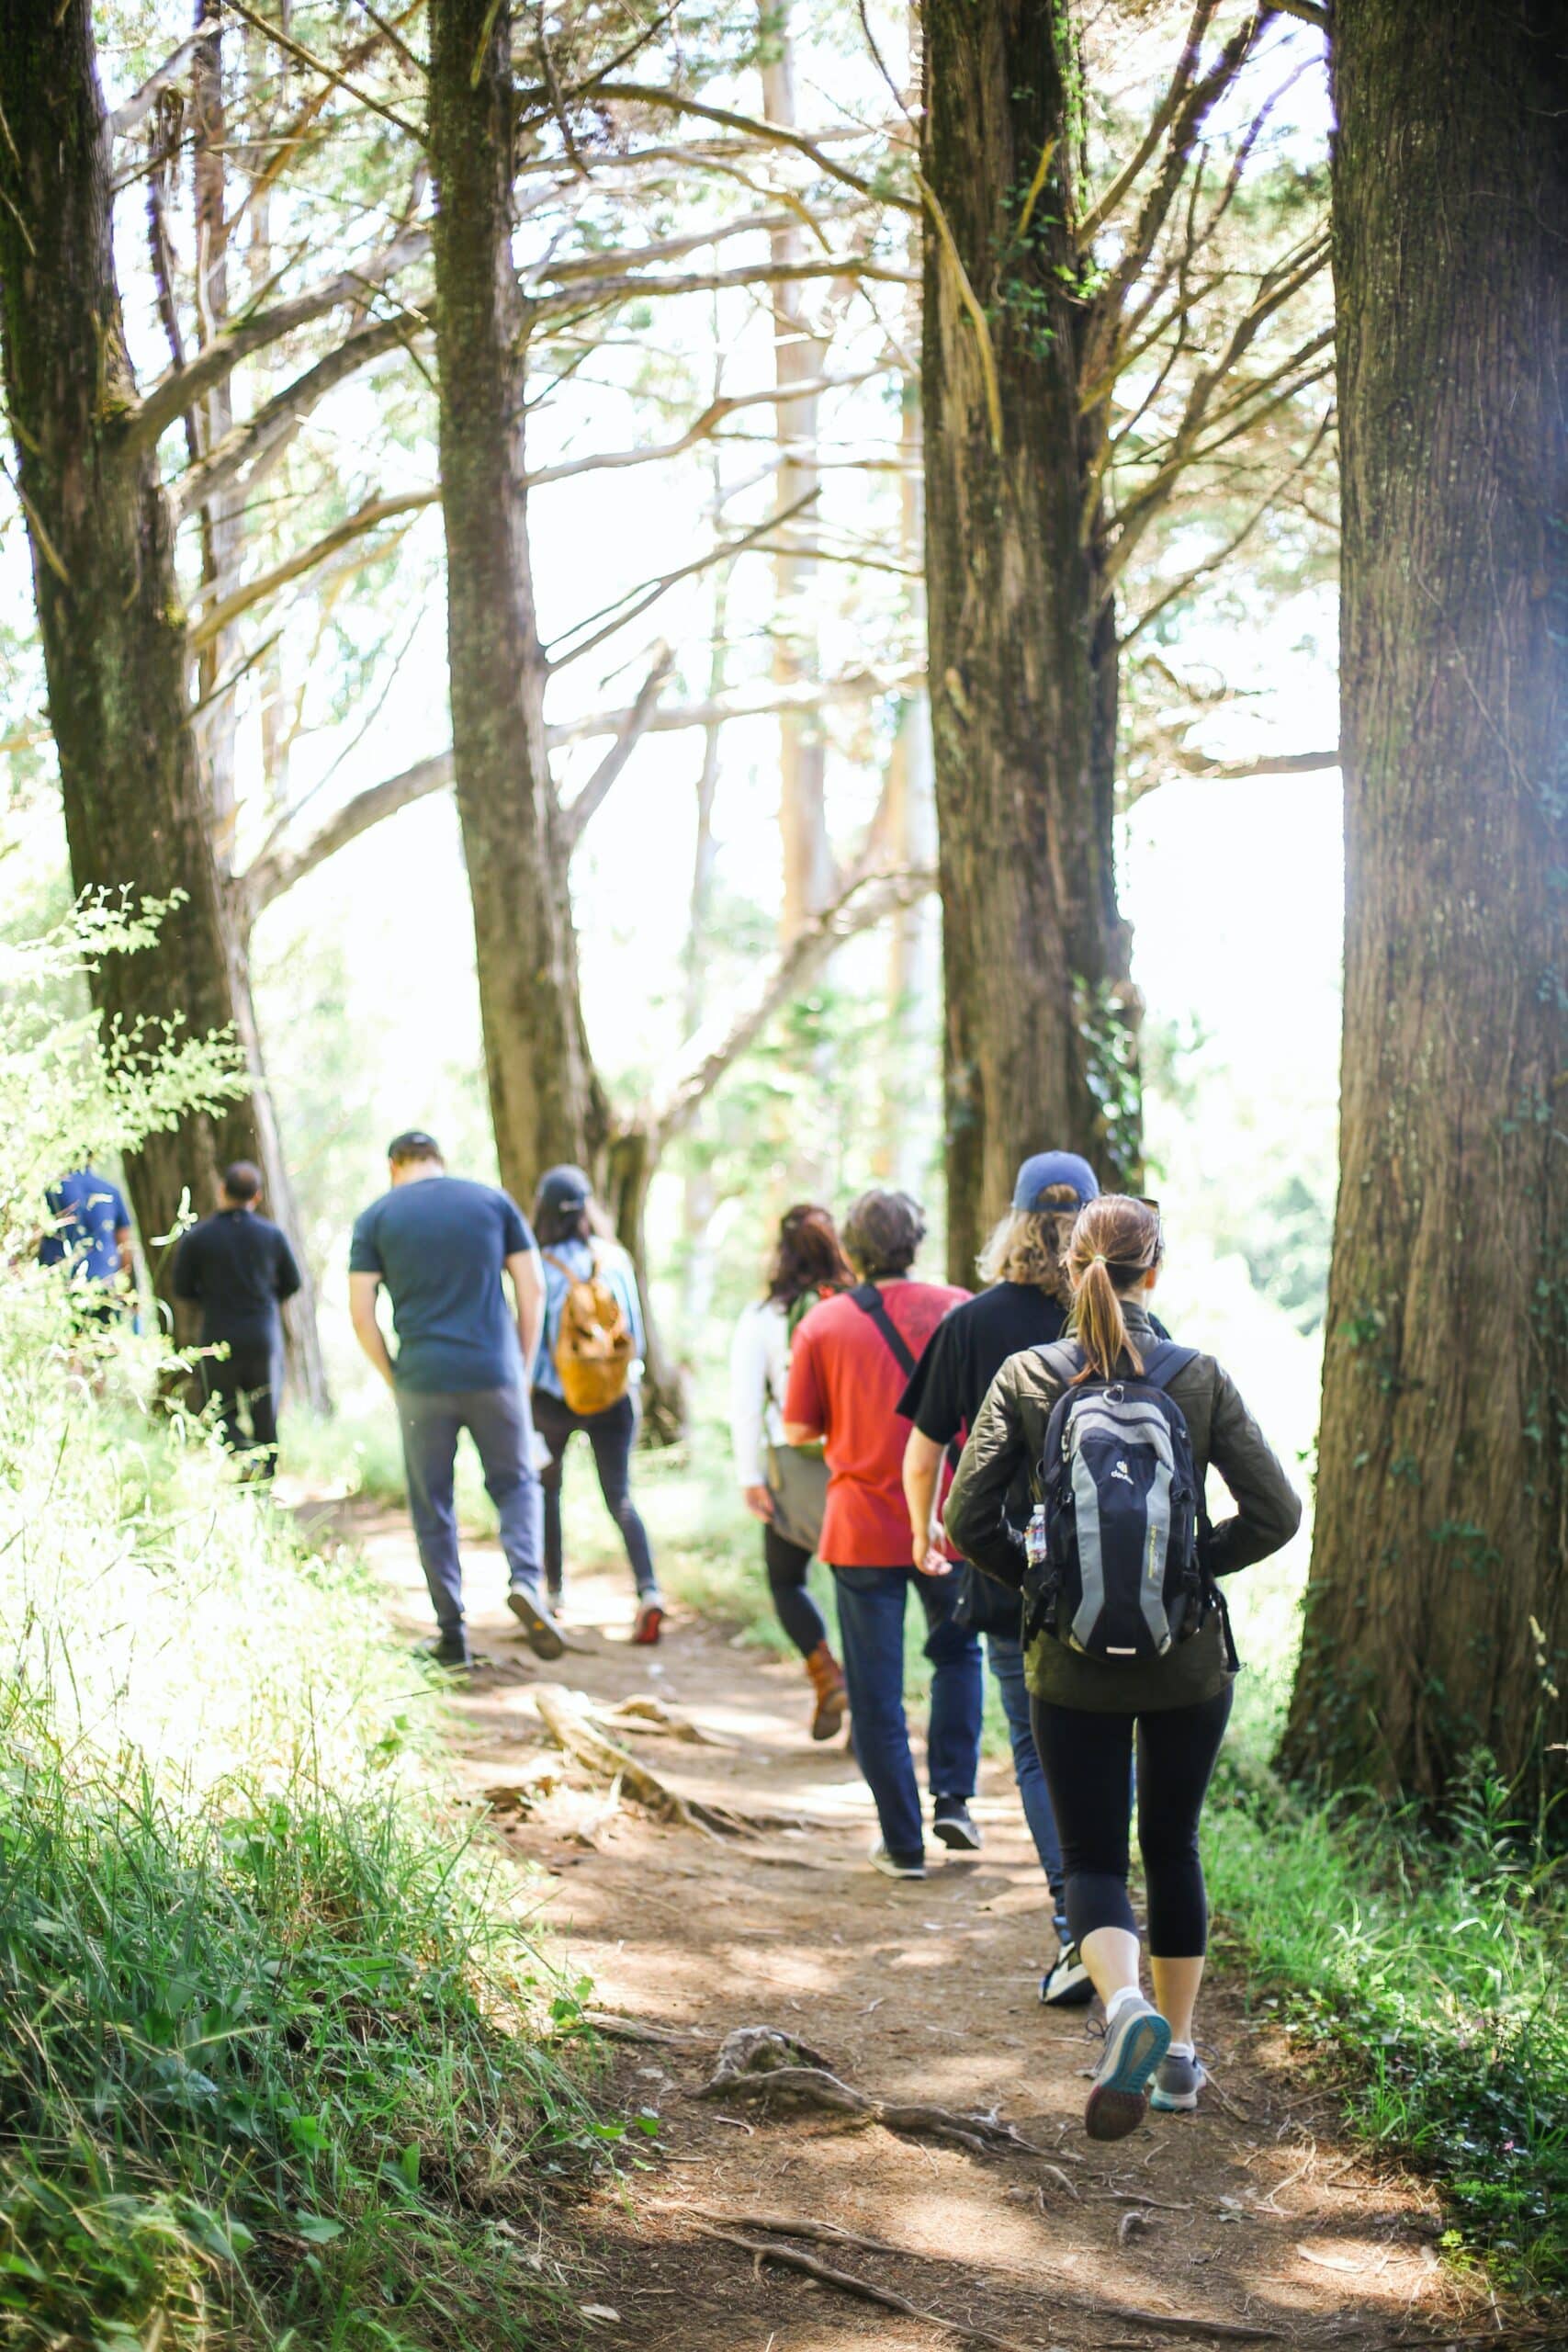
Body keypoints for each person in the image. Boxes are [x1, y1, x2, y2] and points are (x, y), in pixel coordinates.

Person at [945, 1194, 1301, 2137]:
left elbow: (964, 1521)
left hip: (1069, 1664)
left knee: (1096, 1854)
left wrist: (1042, 1584)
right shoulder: (1199, 1375)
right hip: (1186, 1665)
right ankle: (1179, 2057)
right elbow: (1277, 1513)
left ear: (1070, 1268)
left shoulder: (1028, 1375)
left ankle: (1125, 2007)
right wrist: (1189, 1571)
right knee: (1173, 1844)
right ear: (1158, 1270)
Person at [899, 1150, 1101, 2001]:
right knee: (1110, 1742)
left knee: (1034, 1748)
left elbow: (921, 1452)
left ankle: (1076, 1926)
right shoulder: (1123, 1322)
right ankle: (1116, 1916)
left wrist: (924, 1536)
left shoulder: (972, 1324)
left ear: (1013, 1226)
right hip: (1117, 1574)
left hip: (1009, 1570)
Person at [783, 1188, 977, 1879]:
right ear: (915, 1241)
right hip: (950, 1518)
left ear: (853, 1250)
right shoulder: (958, 1307)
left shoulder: (824, 1325)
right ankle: (954, 1797)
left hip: (862, 1525)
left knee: (875, 1690)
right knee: (957, 1655)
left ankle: (902, 1843)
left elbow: (798, 1428)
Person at [349, 1130, 559, 1670]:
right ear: (439, 1161)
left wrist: (392, 1375)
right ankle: (528, 1581)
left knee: (433, 1505)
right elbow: (532, 1288)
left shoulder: (377, 1216)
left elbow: (361, 1310)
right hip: (495, 1373)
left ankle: (452, 1636)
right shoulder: (491, 1202)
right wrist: (521, 1364)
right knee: (516, 1484)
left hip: (421, 1379)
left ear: (395, 1165)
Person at [729, 1204, 854, 1740]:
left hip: (791, 1467)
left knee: (786, 1579)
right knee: (860, 1590)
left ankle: (826, 1672)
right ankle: (869, 1708)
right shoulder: (859, 1307)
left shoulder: (763, 1318)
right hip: (857, 1467)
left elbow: (743, 1403)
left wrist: (749, 1476)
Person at [530, 1165, 665, 1645]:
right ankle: (649, 1591)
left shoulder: (537, 1264)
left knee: (548, 1490)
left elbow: (531, 1341)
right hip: (613, 1396)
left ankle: (552, 1592)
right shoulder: (615, 1259)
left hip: (553, 1398)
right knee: (620, 1496)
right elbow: (638, 1339)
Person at [172, 1160, 300, 1472]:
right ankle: (265, 1480)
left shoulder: (198, 1237)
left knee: (223, 1411)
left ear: (222, 1190)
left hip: (219, 1334)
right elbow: (293, 1283)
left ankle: (243, 1466)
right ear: (256, 1197)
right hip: (262, 1336)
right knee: (265, 1414)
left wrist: (210, 1299)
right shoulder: (272, 1235)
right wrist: (266, 1300)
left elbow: (181, 1288)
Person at [39, 1162, 133, 1320]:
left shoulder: (52, 1190)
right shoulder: (111, 1191)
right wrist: (128, 1289)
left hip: (60, 1286)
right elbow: (125, 1246)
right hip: (104, 1287)